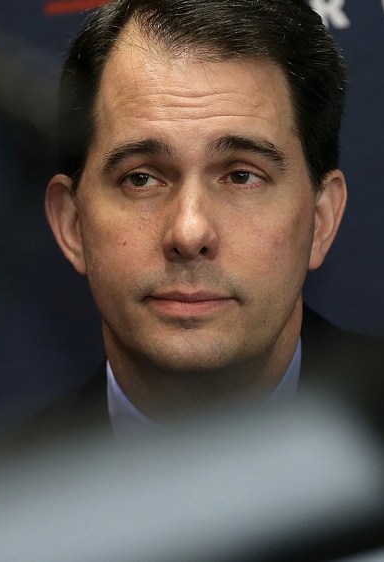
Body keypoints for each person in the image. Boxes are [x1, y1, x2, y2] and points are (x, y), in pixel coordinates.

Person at [40, 0, 357, 434]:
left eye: (242, 176)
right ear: (72, 224)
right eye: (141, 179)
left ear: (322, 219)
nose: (189, 232)